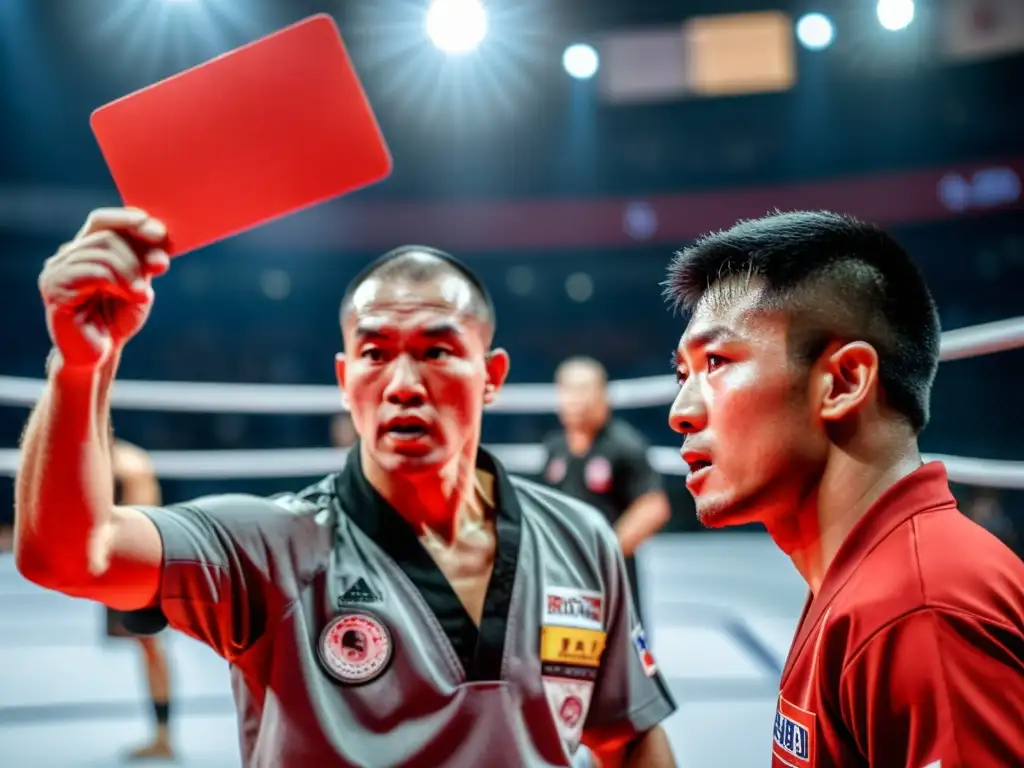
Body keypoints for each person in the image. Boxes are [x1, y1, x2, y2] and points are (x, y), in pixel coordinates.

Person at [15, 207, 677, 768]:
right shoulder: (268, 547)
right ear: (343, 378)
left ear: (492, 375)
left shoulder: (580, 540)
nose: (403, 383)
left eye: (437, 351)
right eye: (375, 352)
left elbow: (630, 733)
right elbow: (72, 554)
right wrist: (79, 366)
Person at [664, 210, 1024, 767]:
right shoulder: (868, 580)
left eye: (717, 361)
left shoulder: (920, 608)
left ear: (844, 381)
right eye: (682, 375)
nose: (680, 412)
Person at [542, 358, 670, 626]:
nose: (577, 399)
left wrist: (603, 552)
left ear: (603, 394)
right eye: (568, 390)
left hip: (610, 576)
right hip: (562, 577)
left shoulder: (624, 445)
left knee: (621, 653)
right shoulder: (556, 447)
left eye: (584, 389)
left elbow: (653, 506)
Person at [106, 438, 176, 761]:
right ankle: (161, 735)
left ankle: (163, 737)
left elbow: (142, 522)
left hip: (138, 566)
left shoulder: (127, 463)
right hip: (121, 564)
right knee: (146, 647)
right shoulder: (99, 460)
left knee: (151, 647)